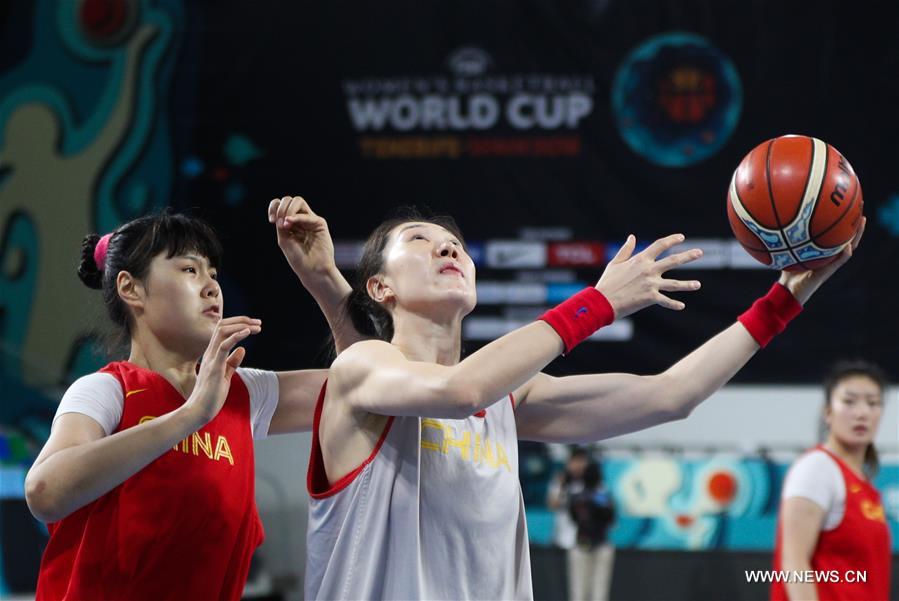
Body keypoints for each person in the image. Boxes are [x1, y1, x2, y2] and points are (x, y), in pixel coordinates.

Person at [305, 209, 866, 600]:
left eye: (453, 242)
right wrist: (597, 303)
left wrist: (786, 297)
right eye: (419, 241)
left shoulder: (507, 400)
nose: (447, 246)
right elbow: (457, 392)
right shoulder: (361, 367)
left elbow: (671, 395)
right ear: (380, 288)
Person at [25, 197, 357, 600]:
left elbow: (366, 386)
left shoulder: (242, 393)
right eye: (189, 269)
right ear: (131, 288)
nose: (211, 284)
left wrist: (323, 276)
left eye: (212, 273)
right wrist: (193, 414)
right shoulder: (107, 391)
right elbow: (45, 492)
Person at [771, 359, 891, 601]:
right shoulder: (817, 468)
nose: (862, 412)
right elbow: (794, 563)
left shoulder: (863, 484)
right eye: (849, 401)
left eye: (873, 403)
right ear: (827, 412)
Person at [548, 448, 616, 601]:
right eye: (575, 461)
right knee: (577, 591)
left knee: (598, 591)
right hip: (570, 539)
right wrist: (563, 486)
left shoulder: (599, 488)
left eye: (582, 461)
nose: (579, 465)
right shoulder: (565, 483)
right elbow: (555, 505)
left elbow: (610, 515)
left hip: (598, 541)